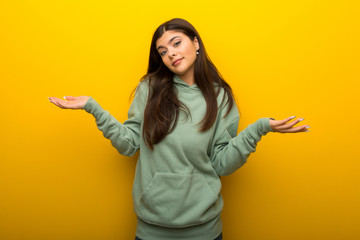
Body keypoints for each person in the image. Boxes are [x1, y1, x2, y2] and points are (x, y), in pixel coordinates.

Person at [48, 18, 310, 240]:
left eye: (176, 43)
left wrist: (259, 129)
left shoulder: (220, 98)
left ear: (195, 43)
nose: (170, 53)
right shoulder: (149, 89)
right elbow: (128, 145)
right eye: (162, 51)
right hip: (152, 229)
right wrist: (93, 108)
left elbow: (221, 164)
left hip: (205, 230)